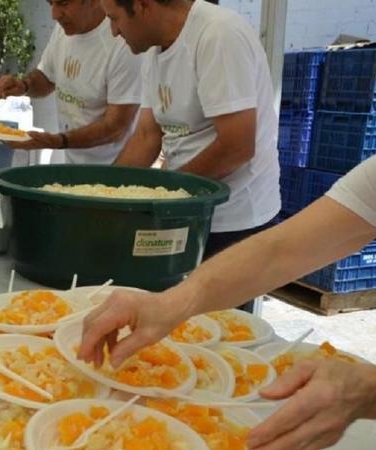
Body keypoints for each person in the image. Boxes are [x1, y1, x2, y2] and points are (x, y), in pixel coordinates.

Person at [79, 9, 376, 450]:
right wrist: (170, 303)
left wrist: (372, 389)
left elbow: (237, 144)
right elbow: (280, 251)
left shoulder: (216, 35)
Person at [105, 0, 281, 268]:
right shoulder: (153, 53)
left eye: (114, 18)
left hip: (233, 221)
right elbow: (146, 136)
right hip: (185, 207)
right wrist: (104, 195)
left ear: (142, 6)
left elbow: (237, 147)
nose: (113, 32)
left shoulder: (218, 35)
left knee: (211, 310)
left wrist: (165, 191)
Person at [0, 0, 141, 164]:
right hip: (71, 166)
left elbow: (116, 128)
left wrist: (58, 141)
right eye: (51, 4)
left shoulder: (123, 42)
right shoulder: (65, 29)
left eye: (63, 4)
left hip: (112, 171)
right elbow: (47, 77)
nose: (55, 15)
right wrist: (23, 85)